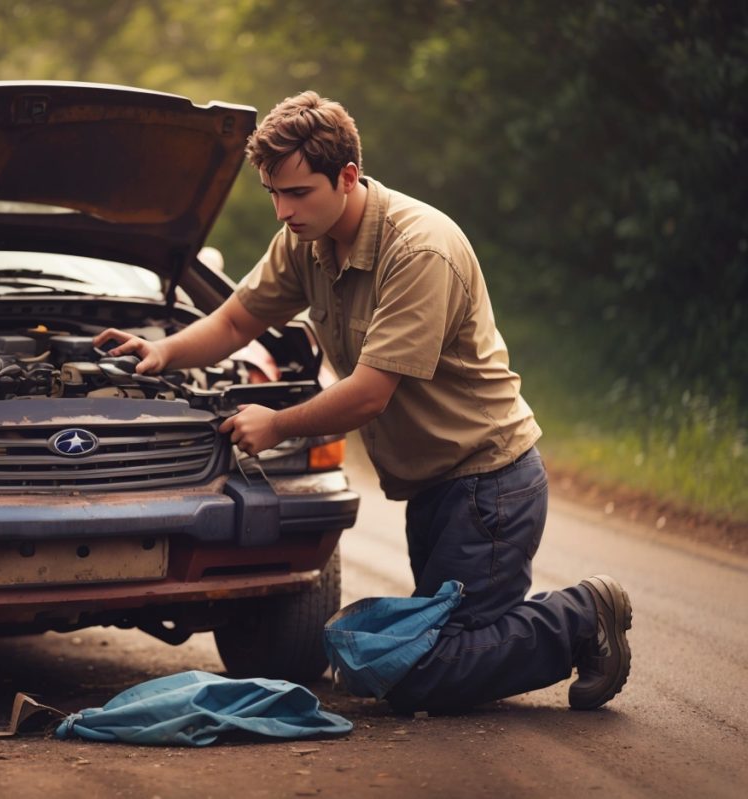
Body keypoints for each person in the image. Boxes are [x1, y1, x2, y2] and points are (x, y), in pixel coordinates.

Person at [93, 91, 632, 712]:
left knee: (424, 670)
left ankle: (584, 614)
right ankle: (561, 625)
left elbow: (371, 394)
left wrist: (277, 425)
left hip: (489, 486)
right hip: (431, 489)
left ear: (348, 176)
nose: (282, 210)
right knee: (435, 649)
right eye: (272, 192)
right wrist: (164, 352)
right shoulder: (306, 238)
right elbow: (239, 319)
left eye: (297, 193)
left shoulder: (419, 249)